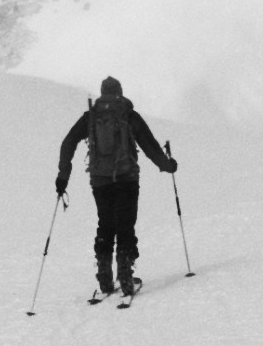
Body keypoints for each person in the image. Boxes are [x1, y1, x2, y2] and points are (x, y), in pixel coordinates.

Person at [54, 75, 179, 299]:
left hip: (100, 180)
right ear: (120, 91)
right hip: (126, 178)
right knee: (125, 223)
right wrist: (167, 165)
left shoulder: (91, 116)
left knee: (105, 222)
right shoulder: (128, 114)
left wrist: (63, 175)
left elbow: (68, 142)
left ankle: (104, 270)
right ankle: (125, 271)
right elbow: (149, 145)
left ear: (102, 92)